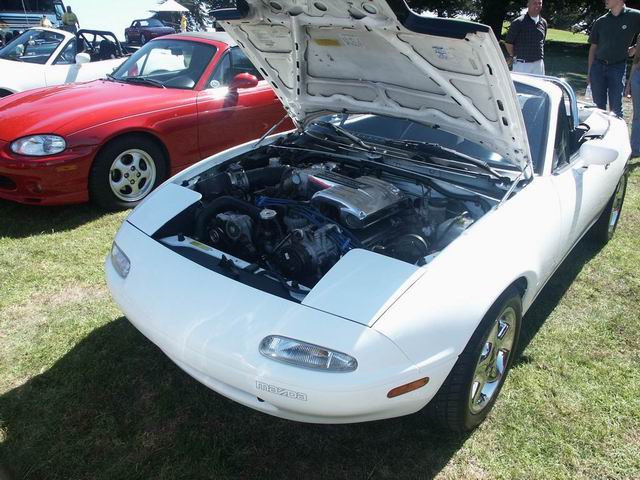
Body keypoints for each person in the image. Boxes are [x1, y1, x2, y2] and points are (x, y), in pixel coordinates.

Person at [588, 0, 640, 117]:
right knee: (598, 108)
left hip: (618, 67)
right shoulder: (601, 21)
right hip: (597, 67)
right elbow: (593, 48)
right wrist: (589, 72)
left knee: (616, 109)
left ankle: (616, 128)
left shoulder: (634, 16)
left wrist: (635, 48)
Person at [505, 0, 547, 75]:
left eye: (539, 3)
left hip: (539, 65)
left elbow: (542, 41)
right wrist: (514, 55)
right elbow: (509, 43)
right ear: (528, 4)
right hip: (522, 65)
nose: (537, 5)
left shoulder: (543, 23)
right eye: (534, 3)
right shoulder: (518, 22)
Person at [627, 48, 640, 155]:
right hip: (637, 77)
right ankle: (635, 149)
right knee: (637, 116)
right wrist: (629, 84)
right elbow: (636, 60)